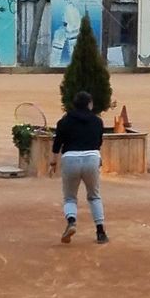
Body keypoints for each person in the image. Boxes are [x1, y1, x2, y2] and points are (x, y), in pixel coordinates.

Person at [49, 90, 109, 245]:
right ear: (89, 104)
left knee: (70, 197)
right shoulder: (97, 121)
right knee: (94, 196)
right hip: (92, 157)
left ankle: (71, 221)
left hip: (70, 158)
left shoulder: (65, 121)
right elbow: (98, 142)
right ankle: (100, 232)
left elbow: (57, 145)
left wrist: (53, 163)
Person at [51, 0, 82, 66]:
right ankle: (55, 63)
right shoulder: (73, 8)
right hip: (72, 30)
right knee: (71, 47)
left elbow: (71, 20)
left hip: (71, 30)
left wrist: (67, 26)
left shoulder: (69, 8)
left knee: (61, 44)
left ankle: (55, 63)